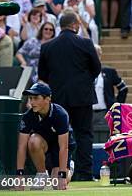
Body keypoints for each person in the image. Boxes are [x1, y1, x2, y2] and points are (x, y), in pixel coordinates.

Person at [38, 10, 100, 181]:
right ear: (75, 25)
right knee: (84, 134)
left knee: (56, 135)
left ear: (60, 26)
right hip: (82, 96)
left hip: (58, 98)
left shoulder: (47, 46)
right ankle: (84, 174)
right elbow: (96, 69)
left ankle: (58, 172)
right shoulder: (86, 43)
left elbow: (42, 75)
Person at [16, 83, 75, 190]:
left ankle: (69, 168)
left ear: (47, 99)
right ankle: (42, 174)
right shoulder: (28, 116)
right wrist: (19, 176)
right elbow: (22, 147)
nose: (32, 102)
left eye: (36, 98)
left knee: (57, 185)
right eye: (30, 98)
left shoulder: (60, 114)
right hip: (43, 146)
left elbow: (64, 147)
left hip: (60, 147)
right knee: (33, 140)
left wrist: (62, 175)